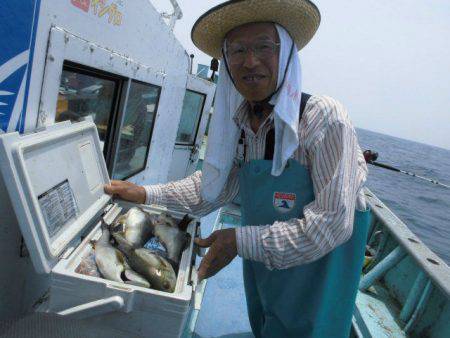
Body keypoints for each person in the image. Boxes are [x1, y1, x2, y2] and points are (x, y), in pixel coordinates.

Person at [105, 1, 371, 337]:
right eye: (236, 50)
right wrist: (145, 193)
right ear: (226, 62)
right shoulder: (243, 123)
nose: (249, 61)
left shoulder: (324, 119)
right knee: (267, 323)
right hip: (267, 266)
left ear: (286, 53)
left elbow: (331, 226)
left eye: (263, 46)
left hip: (319, 275)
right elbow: (214, 187)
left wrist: (240, 242)